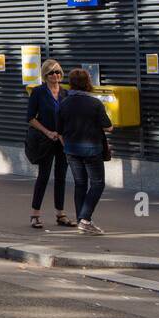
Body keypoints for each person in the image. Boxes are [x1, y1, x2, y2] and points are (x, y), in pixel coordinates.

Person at [58, 67, 112, 234]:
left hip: (71, 149)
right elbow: (108, 126)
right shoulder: (95, 103)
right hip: (91, 149)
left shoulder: (64, 103)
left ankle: (82, 220)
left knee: (80, 184)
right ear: (87, 83)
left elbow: (59, 130)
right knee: (97, 183)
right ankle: (85, 219)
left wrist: (66, 145)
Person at [25, 60, 73, 229]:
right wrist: (47, 132)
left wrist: (62, 135)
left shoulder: (65, 93)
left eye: (58, 72)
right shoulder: (38, 92)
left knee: (61, 177)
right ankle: (35, 214)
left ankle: (60, 213)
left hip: (61, 141)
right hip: (45, 140)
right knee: (43, 176)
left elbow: (68, 118)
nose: (56, 76)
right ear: (45, 75)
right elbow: (30, 118)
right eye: (52, 73)